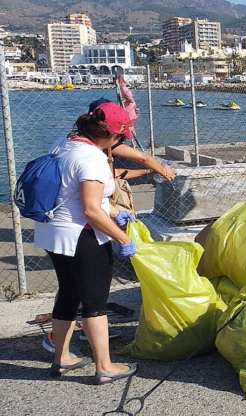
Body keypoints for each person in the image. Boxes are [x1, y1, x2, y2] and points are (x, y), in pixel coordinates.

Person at [35, 102, 138, 384]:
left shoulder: (65, 144)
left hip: (53, 232)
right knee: (94, 303)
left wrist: (114, 211)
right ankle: (104, 366)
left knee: (68, 295)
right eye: (120, 137)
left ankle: (61, 359)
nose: (119, 142)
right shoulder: (92, 158)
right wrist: (122, 238)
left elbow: (70, 191)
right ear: (110, 134)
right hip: (82, 235)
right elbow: (91, 209)